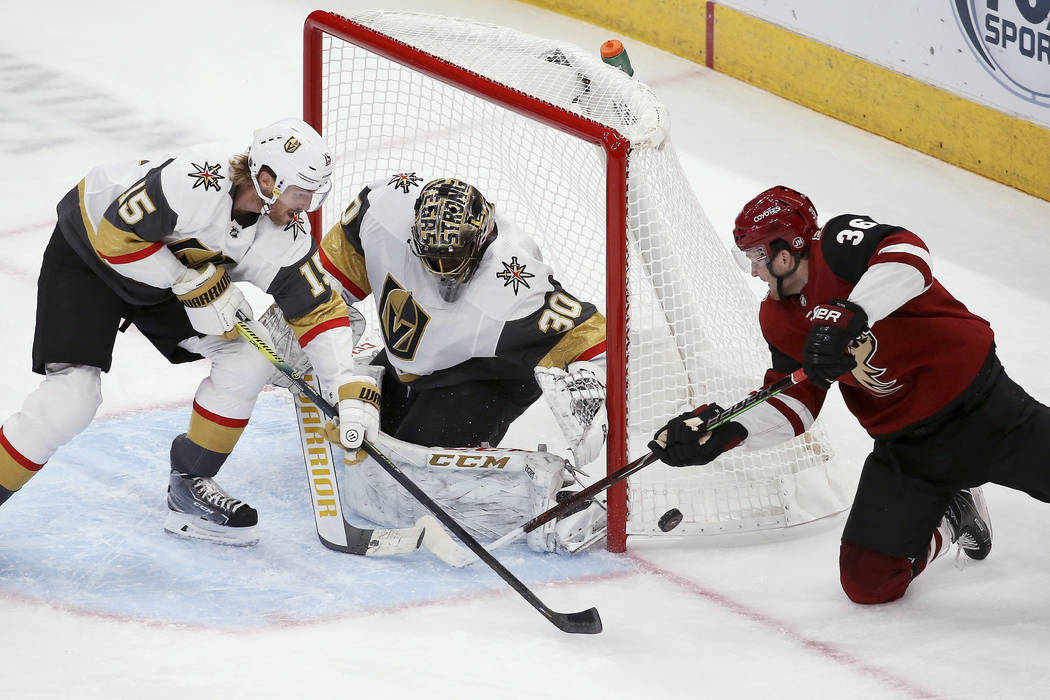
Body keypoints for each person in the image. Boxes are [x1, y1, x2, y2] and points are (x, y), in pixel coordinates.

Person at [649, 185, 1050, 604]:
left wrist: (849, 315)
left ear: (785, 252)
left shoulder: (838, 246)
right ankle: (955, 514)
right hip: (909, 451)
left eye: (757, 258)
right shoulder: (778, 317)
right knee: (870, 581)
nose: (755, 273)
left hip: (988, 412)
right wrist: (723, 432)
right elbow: (796, 404)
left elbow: (910, 257)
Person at [0, 118, 377, 547]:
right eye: (300, 191)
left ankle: (190, 482)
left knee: (249, 358)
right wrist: (188, 283)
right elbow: (115, 237)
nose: (306, 205)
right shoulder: (198, 179)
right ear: (267, 178)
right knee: (72, 398)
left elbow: (318, 309)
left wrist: (343, 386)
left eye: (314, 192)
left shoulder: (285, 233)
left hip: (174, 271)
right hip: (91, 255)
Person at [260, 173, 609, 552]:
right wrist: (309, 325)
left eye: (455, 257)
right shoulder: (383, 207)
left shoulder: (514, 286)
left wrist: (588, 388)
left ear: (483, 236)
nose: (444, 271)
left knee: (409, 483)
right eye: (433, 257)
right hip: (417, 362)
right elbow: (334, 271)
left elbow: (594, 338)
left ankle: (560, 502)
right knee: (375, 443)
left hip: (487, 372)